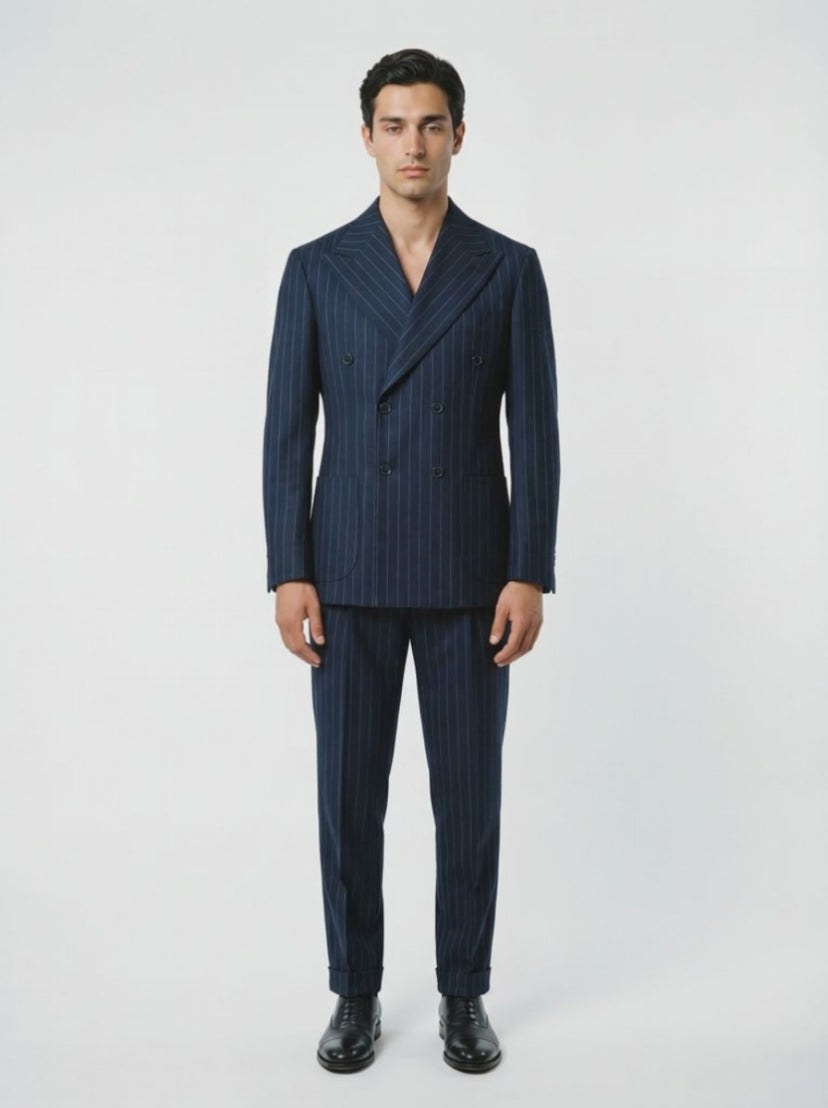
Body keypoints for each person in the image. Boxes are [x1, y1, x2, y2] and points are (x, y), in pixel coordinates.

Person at [262, 47, 560, 1074]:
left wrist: (529, 568)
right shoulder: (316, 267)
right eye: (394, 125)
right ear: (367, 138)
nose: (414, 144)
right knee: (348, 800)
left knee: (468, 801)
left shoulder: (507, 267)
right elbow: (286, 433)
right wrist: (288, 568)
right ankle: (354, 991)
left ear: (459, 135)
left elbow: (538, 433)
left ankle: (463, 993)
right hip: (346, 572)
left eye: (431, 124)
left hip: (471, 574)